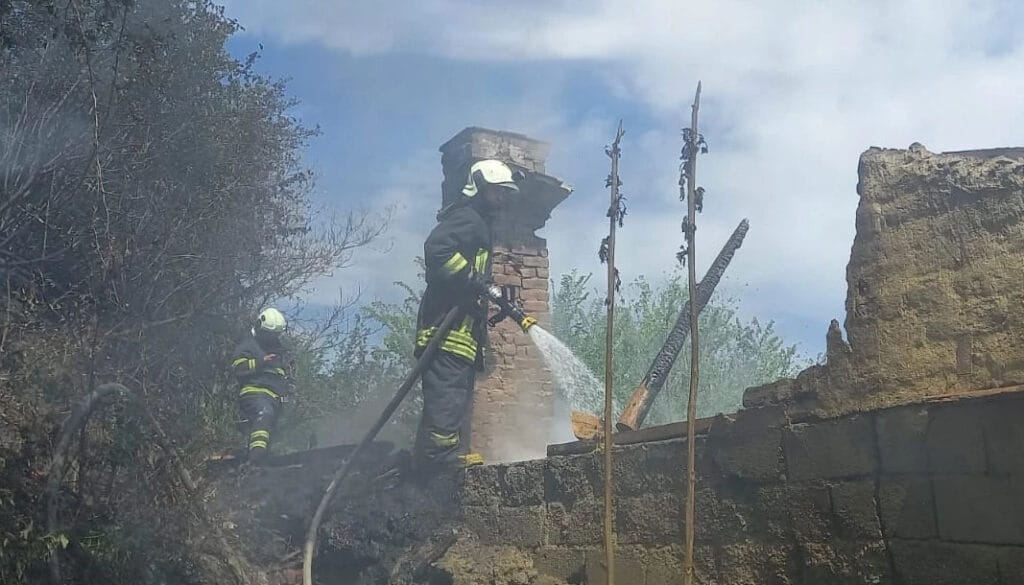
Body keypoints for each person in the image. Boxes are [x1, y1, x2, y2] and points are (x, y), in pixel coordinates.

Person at [412, 159, 520, 472]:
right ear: (481, 188)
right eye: (497, 192)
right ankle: (441, 462)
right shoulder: (468, 218)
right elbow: (437, 250)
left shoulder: (477, 223)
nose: (501, 199)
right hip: (445, 333)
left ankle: (427, 465)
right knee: (447, 398)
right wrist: (471, 278)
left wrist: (481, 286)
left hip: (458, 336)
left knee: (453, 401)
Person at [230, 307, 291, 465]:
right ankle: (255, 462)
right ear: (259, 327)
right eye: (269, 335)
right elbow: (238, 368)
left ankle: (262, 461)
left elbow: (279, 372)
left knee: (272, 430)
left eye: (275, 335)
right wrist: (260, 362)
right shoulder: (248, 345)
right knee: (264, 416)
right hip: (255, 392)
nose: (272, 338)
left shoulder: (276, 348)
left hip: (274, 396)